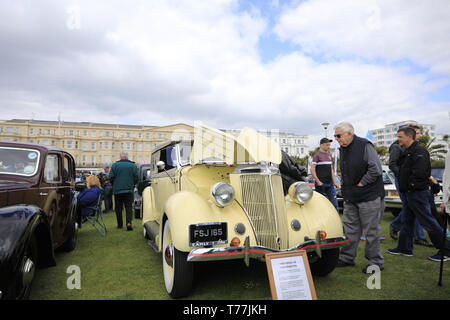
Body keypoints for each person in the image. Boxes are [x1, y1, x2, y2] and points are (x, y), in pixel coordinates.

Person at [388, 127, 450, 261]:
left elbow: (420, 174)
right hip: (409, 193)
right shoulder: (408, 151)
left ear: (409, 137)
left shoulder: (419, 152)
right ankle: (404, 248)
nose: (397, 139)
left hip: (417, 193)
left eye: (400, 137)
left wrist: (410, 187)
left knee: (428, 222)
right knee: (407, 220)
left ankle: (446, 251)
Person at [333, 122, 385, 274]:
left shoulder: (365, 145)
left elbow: (376, 169)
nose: (336, 139)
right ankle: (347, 257)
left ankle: (376, 262)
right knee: (349, 229)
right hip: (351, 197)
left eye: (338, 135)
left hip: (369, 196)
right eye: (335, 136)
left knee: (371, 231)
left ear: (349, 133)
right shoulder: (343, 148)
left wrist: (362, 183)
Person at [389, 124, 431, 246]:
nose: (420, 135)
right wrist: (403, 176)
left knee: (410, 208)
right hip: (403, 182)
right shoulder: (397, 147)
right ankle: (419, 237)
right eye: (418, 133)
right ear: (409, 135)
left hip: (411, 182)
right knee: (414, 207)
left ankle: (404, 233)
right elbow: (392, 164)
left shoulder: (417, 149)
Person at [108, 151, 138, 231]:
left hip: (118, 190)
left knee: (118, 208)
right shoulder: (133, 165)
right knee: (128, 207)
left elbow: (110, 177)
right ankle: (129, 223)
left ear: (120, 157)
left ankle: (120, 225)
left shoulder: (115, 165)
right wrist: (133, 184)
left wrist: (114, 184)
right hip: (129, 189)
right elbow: (136, 177)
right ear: (127, 157)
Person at [311, 138, 340, 211]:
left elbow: (331, 170)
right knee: (321, 205)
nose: (329, 147)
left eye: (329, 145)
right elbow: (312, 170)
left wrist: (335, 182)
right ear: (321, 145)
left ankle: (336, 221)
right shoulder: (317, 155)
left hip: (330, 184)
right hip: (321, 184)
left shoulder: (329, 155)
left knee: (335, 205)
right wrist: (318, 181)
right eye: (327, 145)